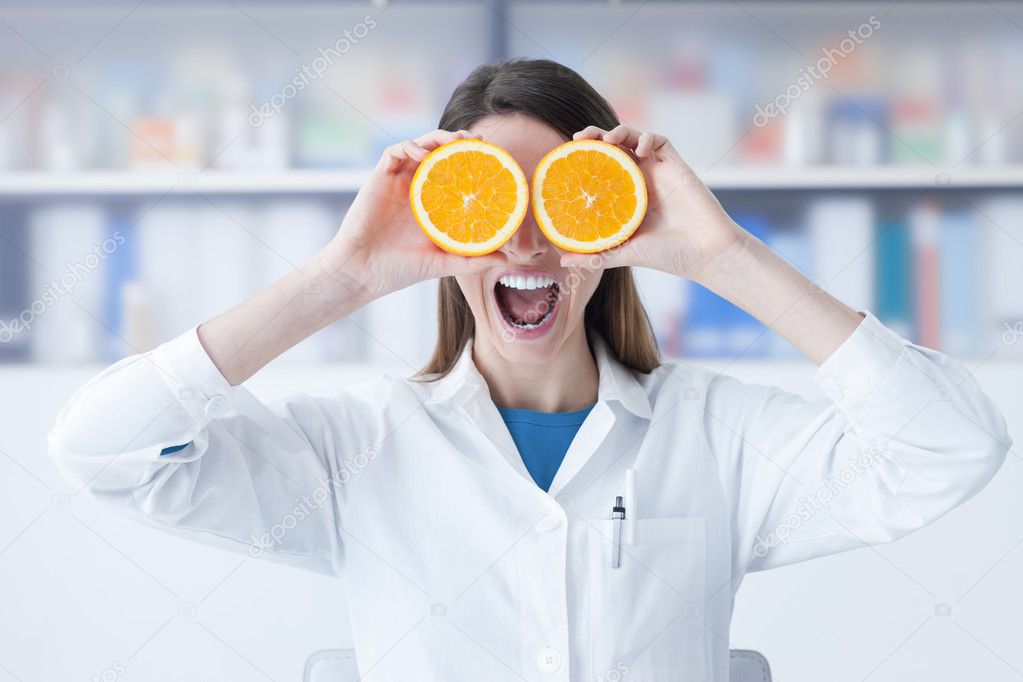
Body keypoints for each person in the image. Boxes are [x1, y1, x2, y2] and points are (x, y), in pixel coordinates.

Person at [48, 58, 1010, 681]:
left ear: (616, 221)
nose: (525, 244)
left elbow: (951, 449)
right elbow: (102, 453)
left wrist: (721, 257)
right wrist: (339, 278)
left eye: (564, 201)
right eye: (483, 203)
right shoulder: (354, 449)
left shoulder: (718, 436)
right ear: (440, 225)